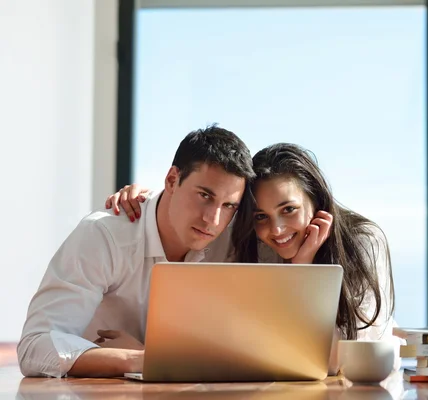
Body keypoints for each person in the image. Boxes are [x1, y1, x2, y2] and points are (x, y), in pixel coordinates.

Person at [107, 143, 398, 373]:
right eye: (261, 216)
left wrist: (300, 271)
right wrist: (142, 199)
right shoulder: (254, 244)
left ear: (318, 201)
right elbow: (240, 347)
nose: (277, 230)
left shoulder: (362, 242)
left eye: (289, 210)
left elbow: (342, 359)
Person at [17, 126, 255, 378]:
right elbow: (34, 348)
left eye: (229, 205)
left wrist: (149, 355)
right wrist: (139, 359)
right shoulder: (104, 235)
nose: (213, 219)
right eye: (204, 195)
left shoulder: (230, 244)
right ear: (172, 180)